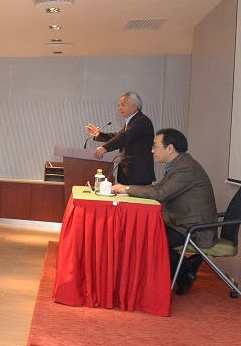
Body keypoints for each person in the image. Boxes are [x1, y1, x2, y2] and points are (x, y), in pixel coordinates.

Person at [111, 128, 218, 296]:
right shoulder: (178, 164)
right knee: (144, 235)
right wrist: (126, 188)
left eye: (155, 146)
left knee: (147, 241)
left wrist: (127, 189)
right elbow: (158, 188)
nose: (152, 150)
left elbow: (161, 194)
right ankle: (185, 269)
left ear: (170, 148)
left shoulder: (185, 167)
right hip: (181, 222)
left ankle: (184, 270)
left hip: (193, 228)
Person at [86, 92, 155, 186]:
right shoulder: (132, 121)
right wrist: (99, 134)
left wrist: (105, 148)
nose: (119, 108)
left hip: (138, 175)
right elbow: (118, 136)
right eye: (119, 105)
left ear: (134, 106)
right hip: (130, 174)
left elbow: (124, 137)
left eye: (123, 105)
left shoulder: (142, 121)